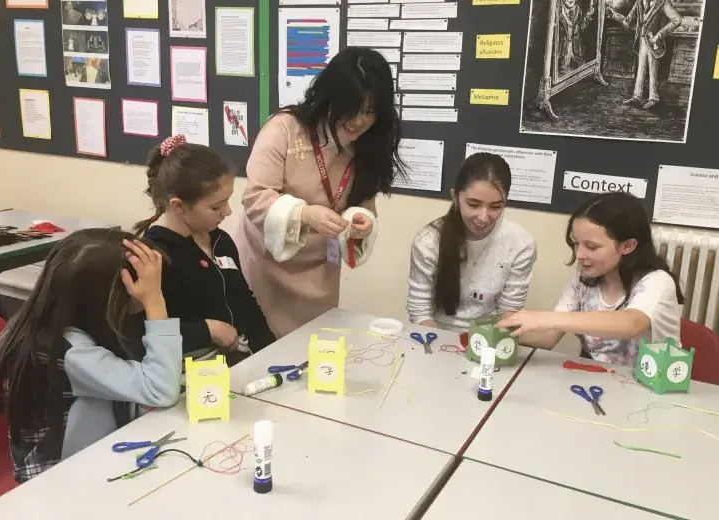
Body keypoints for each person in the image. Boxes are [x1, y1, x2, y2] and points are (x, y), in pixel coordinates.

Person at [234, 47, 404, 338]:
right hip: (264, 267)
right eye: (350, 107)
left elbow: (364, 206)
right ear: (328, 96)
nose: (358, 121)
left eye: (370, 111)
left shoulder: (369, 145)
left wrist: (361, 222)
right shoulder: (285, 129)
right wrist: (305, 215)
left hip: (319, 275)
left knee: (312, 352)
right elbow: (256, 197)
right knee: (258, 350)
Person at [0, 230, 182, 483]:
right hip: (59, 478)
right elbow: (161, 389)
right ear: (110, 300)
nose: (146, 294)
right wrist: (154, 302)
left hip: (90, 450)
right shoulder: (70, 353)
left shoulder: (37, 322)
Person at [496, 192, 684, 367]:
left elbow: (631, 324)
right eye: (576, 243)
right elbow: (548, 337)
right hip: (603, 383)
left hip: (654, 389)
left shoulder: (657, 282)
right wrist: (495, 331)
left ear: (627, 246)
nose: (579, 255)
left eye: (592, 247)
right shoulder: (583, 280)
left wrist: (545, 318)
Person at [134, 135, 275, 360]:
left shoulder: (222, 242)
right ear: (179, 206)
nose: (227, 212)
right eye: (216, 206)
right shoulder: (151, 257)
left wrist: (270, 352)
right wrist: (207, 330)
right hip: (188, 371)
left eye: (227, 201)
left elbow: (244, 301)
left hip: (236, 361)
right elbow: (138, 333)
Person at [407, 153, 537, 332]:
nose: (483, 217)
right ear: (455, 197)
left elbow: (509, 313)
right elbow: (419, 311)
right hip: (437, 335)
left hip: (491, 336)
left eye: (496, 206)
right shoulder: (428, 241)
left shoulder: (521, 244)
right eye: (474, 204)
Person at [608, 0, 682, 109]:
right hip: (641, 39)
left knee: (652, 69)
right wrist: (613, 15)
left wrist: (659, 35)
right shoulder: (639, 2)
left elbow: (677, 20)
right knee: (641, 68)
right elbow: (628, 22)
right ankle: (637, 95)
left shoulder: (663, 2)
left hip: (654, 41)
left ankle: (653, 97)